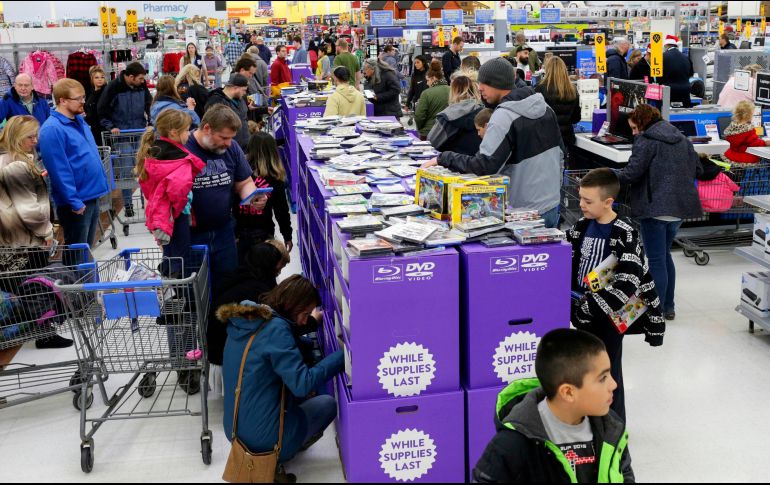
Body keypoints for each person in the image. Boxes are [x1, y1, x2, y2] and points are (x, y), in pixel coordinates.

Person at [220, 275, 343, 482]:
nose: (304, 320)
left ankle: (280, 445)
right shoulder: (276, 329)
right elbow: (302, 384)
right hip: (265, 441)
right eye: (305, 314)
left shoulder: (247, 321)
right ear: (291, 305)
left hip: (234, 431)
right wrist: (343, 356)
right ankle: (280, 454)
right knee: (326, 403)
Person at [472, 328, 634, 483]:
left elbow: (624, 472)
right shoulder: (514, 443)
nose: (614, 384)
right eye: (602, 378)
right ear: (568, 392)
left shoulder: (610, 427)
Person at [568, 168, 665, 421]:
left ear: (608, 202)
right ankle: (590, 418)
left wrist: (594, 305)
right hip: (583, 312)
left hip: (610, 317)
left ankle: (613, 426)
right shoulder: (581, 226)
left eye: (588, 201)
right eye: (580, 198)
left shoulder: (625, 233)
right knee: (586, 369)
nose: (581, 205)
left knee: (608, 373)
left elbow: (629, 279)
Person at [422, 58, 564, 228]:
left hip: (522, 212)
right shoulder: (545, 108)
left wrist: (444, 158)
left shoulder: (504, 116)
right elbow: (561, 154)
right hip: (551, 203)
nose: (480, 87)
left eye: (484, 83)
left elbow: (485, 165)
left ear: (497, 83)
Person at [617, 104, 703, 321]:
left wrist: (607, 174)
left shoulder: (646, 141)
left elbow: (631, 173)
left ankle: (655, 310)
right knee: (664, 255)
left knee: (655, 260)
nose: (634, 133)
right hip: (680, 208)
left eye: (634, 128)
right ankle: (668, 306)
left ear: (643, 123)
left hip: (654, 207)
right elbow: (698, 169)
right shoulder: (682, 139)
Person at [183, 104, 268, 292]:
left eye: (231, 138)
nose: (228, 143)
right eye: (223, 137)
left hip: (224, 232)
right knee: (196, 291)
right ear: (207, 128)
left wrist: (253, 197)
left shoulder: (231, 149)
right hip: (191, 235)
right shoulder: (183, 148)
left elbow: (244, 182)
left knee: (227, 285)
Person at [208, 240, 290, 397]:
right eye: (277, 266)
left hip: (217, 353)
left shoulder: (239, 275)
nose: (278, 271)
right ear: (267, 265)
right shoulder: (256, 291)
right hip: (228, 361)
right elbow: (275, 328)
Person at [39, 79, 109, 255]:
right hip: (76, 202)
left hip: (90, 194)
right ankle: (73, 274)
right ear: (62, 100)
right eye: (78, 98)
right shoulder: (52, 129)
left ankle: (84, 272)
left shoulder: (79, 121)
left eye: (84, 97)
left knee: (86, 250)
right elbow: (58, 171)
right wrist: (74, 201)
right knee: (76, 253)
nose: (83, 101)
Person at [135, 109, 204, 280]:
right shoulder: (179, 159)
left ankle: (168, 282)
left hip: (161, 213)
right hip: (177, 214)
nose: (189, 133)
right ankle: (179, 287)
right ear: (174, 132)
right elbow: (178, 190)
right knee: (181, 256)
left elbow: (146, 186)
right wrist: (179, 208)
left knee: (169, 252)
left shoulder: (153, 152)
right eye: (187, 130)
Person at [97, 61, 151, 217]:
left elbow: (149, 104)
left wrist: (151, 122)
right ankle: (128, 205)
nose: (143, 81)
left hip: (140, 133)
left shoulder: (141, 85)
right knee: (126, 172)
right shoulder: (113, 87)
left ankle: (148, 204)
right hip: (122, 136)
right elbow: (102, 110)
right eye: (140, 78)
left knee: (145, 169)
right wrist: (111, 126)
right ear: (131, 77)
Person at [234, 131, 293, 262]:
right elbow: (281, 210)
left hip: (238, 232)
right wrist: (287, 235)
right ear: (273, 151)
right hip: (264, 232)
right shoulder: (275, 177)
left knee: (242, 267)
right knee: (264, 267)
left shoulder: (239, 172)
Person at [534, 56, 581, 162]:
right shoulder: (572, 90)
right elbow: (576, 118)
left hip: (545, 139)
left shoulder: (540, 89)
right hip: (566, 139)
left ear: (547, 70)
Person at [427, 74, 482, 156]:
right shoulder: (484, 112)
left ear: (453, 91)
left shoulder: (447, 116)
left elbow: (431, 143)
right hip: (477, 160)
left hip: (451, 160)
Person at [205, 74, 251, 150]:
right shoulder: (216, 101)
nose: (245, 93)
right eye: (244, 90)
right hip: (227, 147)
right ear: (235, 88)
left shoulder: (240, 99)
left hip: (243, 146)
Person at [723, 100, 770, 165]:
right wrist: (766, 143)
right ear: (749, 115)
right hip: (745, 159)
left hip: (731, 156)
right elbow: (755, 143)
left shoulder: (733, 125)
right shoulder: (748, 129)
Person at [415, 60, 450, 139]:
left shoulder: (426, 93)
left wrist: (421, 129)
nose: (427, 83)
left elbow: (419, 116)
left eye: (428, 80)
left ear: (433, 78)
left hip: (429, 132)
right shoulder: (452, 90)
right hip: (448, 132)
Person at [660, 35, 694, 107]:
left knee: (667, 113)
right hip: (685, 92)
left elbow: (659, 76)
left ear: (666, 45)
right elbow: (691, 74)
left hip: (669, 92)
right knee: (684, 112)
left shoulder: (662, 57)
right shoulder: (686, 57)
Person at [84, 66, 107, 145]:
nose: (100, 79)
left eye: (102, 77)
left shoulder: (106, 93)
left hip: (104, 129)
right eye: (96, 77)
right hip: (93, 128)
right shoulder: (90, 93)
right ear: (92, 79)